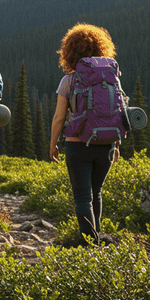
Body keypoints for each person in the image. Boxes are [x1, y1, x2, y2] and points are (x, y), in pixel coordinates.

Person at [48, 23, 121, 246]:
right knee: (96, 192)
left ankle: (88, 241)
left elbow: (59, 117)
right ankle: (96, 238)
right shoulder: (111, 78)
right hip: (106, 143)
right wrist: (116, 144)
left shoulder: (68, 81)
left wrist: (53, 144)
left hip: (78, 145)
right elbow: (117, 110)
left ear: (70, 52)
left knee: (82, 195)